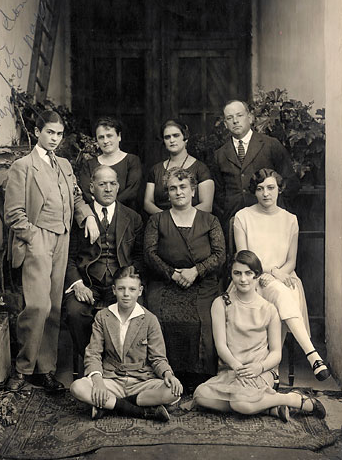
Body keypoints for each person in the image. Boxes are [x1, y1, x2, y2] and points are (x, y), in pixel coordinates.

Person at [4, 110, 100, 392]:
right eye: (50, 133)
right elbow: (13, 213)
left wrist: (88, 217)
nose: (55, 139)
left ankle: (44, 370)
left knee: (55, 307)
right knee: (38, 305)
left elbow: (77, 197)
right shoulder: (23, 166)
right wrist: (33, 237)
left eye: (59, 134)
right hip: (38, 239)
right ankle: (23, 368)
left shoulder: (66, 166)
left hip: (62, 239)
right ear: (37, 133)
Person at [193, 251, 326, 422]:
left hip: (262, 372)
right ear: (231, 275)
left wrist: (259, 368)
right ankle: (271, 407)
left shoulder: (269, 309)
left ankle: (292, 399)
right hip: (233, 370)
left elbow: (276, 353)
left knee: (241, 403)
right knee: (200, 396)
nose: (243, 279)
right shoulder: (221, 303)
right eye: (237, 273)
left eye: (249, 273)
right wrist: (238, 368)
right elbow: (221, 346)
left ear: (257, 275)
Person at [233, 168, 330, 381]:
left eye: (270, 188)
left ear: (279, 189)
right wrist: (268, 273)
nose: (265, 193)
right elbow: (244, 257)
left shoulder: (290, 219)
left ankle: (273, 369)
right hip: (250, 278)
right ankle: (312, 354)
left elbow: (291, 261)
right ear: (254, 192)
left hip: (284, 276)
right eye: (260, 189)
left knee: (284, 292)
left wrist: (276, 274)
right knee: (281, 291)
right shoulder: (243, 217)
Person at [144, 167, 225, 392]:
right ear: (167, 193)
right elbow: (150, 253)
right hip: (165, 282)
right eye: (172, 188)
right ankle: (164, 375)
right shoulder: (157, 220)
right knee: (158, 316)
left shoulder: (210, 221)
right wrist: (172, 273)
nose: (178, 192)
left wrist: (196, 271)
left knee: (204, 321)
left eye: (183, 187)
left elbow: (220, 255)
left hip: (202, 284)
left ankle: (198, 380)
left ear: (193, 191)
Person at [70, 266, 183, 422]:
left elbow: (158, 358)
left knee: (173, 392)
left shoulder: (149, 319)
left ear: (140, 291)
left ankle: (109, 405)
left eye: (132, 289)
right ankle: (140, 411)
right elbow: (93, 353)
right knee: (77, 388)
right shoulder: (103, 316)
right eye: (121, 288)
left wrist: (168, 374)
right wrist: (98, 382)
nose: (126, 294)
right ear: (114, 290)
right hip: (112, 379)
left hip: (141, 381)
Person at [64, 165, 143, 357]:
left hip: (120, 283)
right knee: (75, 312)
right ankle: (89, 360)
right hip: (88, 283)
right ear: (92, 187)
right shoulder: (78, 218)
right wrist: (78, 284)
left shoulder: (132, 217)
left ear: (118, 187)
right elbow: (68, 257)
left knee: (137, 312)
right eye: (102, 184)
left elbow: (140, 257)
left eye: (112, 184)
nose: (108, 189)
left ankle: (120, 364)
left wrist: (128, 281)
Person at [213, 100, 300, 237]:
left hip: (269, 221)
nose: (235, 121)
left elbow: (290, 182)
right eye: (230, 118)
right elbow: (218, 193)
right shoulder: (220, 154)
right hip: (235, 222)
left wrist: (274, 208)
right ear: (225, 124)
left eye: (239, 115)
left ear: (250, 117)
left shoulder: (270, 145)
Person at [144, 118, 214, 214]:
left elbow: (207, 205)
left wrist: (181, 218)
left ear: (185, 138)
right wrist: (166, 219)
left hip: (192, 223)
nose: (172, 140)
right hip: (162, 222)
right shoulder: (156, 170)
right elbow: (148, 203)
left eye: (176, 135)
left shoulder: (201, 169)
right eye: (167, 137)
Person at [79, 117, 142, 210]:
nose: (105, 141)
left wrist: (108, 207)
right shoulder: (89, 165)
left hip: (125, 215)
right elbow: (86, 193)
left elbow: (131, 192)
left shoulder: (132, 161)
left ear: (119, 136)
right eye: (101, 137)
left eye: (109, 136)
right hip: (96, 215)